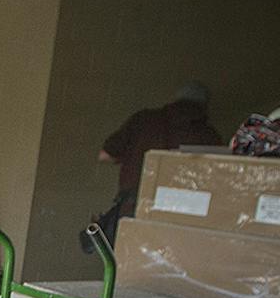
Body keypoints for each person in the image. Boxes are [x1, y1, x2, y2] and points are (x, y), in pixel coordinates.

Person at [88, 81, 222, 249]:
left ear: (175, 99)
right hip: (180, 219)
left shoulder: (144, 120)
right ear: (204, 106)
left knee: (126, 264)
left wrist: (130, 157)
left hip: (134, 209)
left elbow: (105, 155)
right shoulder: (209, 136)